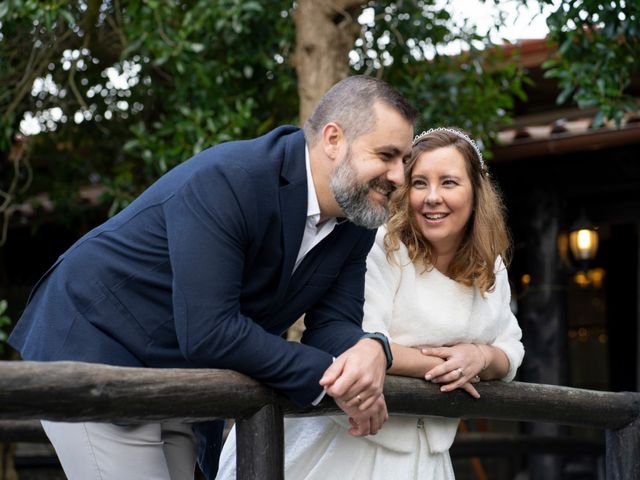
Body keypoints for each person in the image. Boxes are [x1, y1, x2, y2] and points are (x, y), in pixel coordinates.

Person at [8, 75, 418, 479]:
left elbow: (331, 326)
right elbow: (210, 330)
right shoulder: (231, 178)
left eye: (403, 160)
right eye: (387, 155)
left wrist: (370, 351)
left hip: (182, 373)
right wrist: (336, 380)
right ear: (333, 139)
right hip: (96, 344)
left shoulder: (357, 220)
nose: (399, 176)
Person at [216, 127, 525, 479]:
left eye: (449, 183)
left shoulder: (491, 266)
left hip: (428, 458)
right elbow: (362, 341)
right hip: (344, 444)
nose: (432, 197)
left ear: (475, 193)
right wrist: (451, 365)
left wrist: (481, 357)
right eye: (419, 183)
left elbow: (510, 348)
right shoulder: (381, 246)